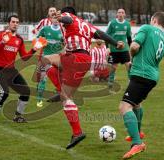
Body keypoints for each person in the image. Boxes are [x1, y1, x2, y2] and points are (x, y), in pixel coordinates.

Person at [42, 6, 124, 149]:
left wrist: (61, 17)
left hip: (74, 57)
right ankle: (75, 131)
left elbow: (67, 18)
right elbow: (101, 34)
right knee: (65, 96)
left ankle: (78, 132)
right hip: (84, 60)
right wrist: (116, 43)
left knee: (45, 61)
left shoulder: (69, 17)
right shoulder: (86, 24)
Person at [119, 12, 164, 159]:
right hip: (152, 76)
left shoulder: (147, 28)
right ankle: (138, 132)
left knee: (124, 107)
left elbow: (134, 47)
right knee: (136, 103)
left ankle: (137, 143)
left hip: (141, 74)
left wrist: (131, 59)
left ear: (154, 20)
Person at [0, 15, 36, 124]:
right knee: (4, 92)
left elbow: (24, 58)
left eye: (17, 22)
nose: (15, 24)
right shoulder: (1, 34)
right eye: (13, 22)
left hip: (11, 70)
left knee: (26, 91)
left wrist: (33, 49)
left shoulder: (19, 39)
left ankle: (18, 117)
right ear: (9, 23)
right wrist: (3, 42)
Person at [35, 16, 64, 107]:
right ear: (51, 19)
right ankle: (39, 100)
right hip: (46, 58)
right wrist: (43, 41)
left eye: (57, 18)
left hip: (57, 60)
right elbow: (37, 41)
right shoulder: (45, 29)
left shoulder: (63, 31)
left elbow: (66, 44)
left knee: (62, 80)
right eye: (54, 18)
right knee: (43, 79)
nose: (55, 20)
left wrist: (63, 45)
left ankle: (63, 97)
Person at [106, 8, 132, 87]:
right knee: (113, 67)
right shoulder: (112, 23)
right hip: (114, 49)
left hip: (124, 49)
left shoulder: (127, 24)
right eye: (119, 12)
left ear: (124, 14)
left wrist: (131, 48)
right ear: (117, 14)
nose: (120, 14)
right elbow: (106, 36)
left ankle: (131, 81)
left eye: (122, 12)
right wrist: (107, 47)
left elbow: (129, 38)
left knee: (128, 65)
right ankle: (110, 81)